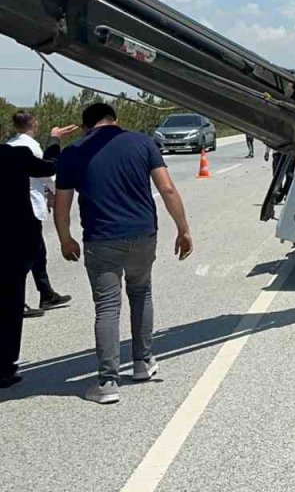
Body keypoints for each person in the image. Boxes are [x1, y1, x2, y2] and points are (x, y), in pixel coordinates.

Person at [53, 103, 194, 404]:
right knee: (141, 293)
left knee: (107, 307)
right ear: (115, 120)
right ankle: (143, 363)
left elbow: (62, 204)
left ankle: (107, 382)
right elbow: (167, 189)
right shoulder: (142, 142)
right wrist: (183, 229)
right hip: (143, 234)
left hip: (101, 238)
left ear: (86, 126)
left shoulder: (72, 153)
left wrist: (65, 239)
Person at [1, 122, 76, 389]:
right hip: (10, 244)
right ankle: (4, 368)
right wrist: (54, 140)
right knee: (9, 307)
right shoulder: (14, 155)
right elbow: (50, 166)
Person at [6, 111, 75, 317]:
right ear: (34, 124)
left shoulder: (10, 144)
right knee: (27, 255)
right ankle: (16, 301)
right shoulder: (30, 147)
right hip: (29, 207)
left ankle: (46, 292)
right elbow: (47, 172)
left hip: (15, 208)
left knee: (37, 252)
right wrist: (56, 194)